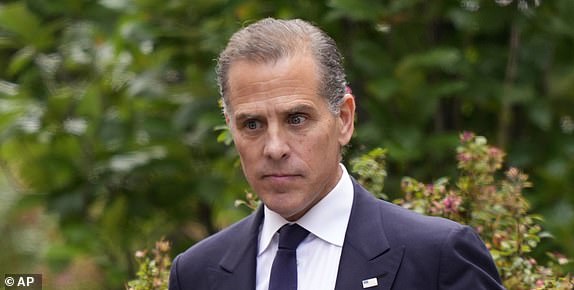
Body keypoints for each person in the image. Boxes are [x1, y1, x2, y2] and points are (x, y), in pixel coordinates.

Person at [169, 18, 504, 290]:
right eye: (252, 124)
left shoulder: (435, 258)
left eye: (296, 119)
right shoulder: (197, 273)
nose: (274, 148)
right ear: (231, 127)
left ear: (344, 119)